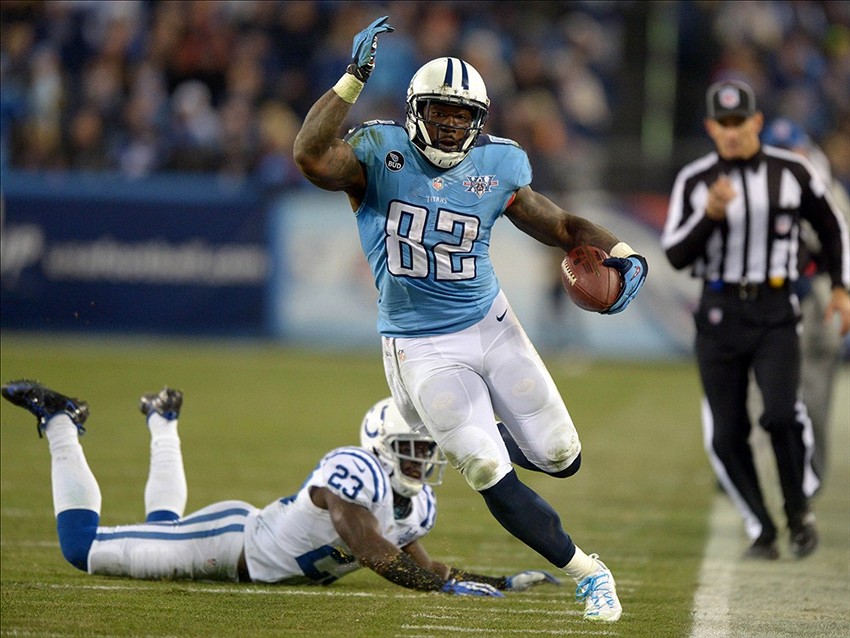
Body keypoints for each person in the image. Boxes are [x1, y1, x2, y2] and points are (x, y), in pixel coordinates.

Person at [293, 16, 649, 622]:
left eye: (463, 116)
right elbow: (309, 155)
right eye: (440, 113)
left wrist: (622, 253)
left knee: (563, 456)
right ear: (415, 111)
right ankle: (590, 574)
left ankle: (464, 431)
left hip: (491, 323)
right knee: (486, 467)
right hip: (419, 344)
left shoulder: (498, 166)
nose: (451, 125)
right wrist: (351, 80)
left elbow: (562, 225)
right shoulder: (379, 154)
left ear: (479, 120)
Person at [0, 380, 563, 595]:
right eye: (411, 448)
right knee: (81, 550)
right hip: (230, 544)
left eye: (426, 449)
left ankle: (162, 420)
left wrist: (495, 582)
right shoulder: (355, 469)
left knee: (163, 530)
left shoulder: (417, 506)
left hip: (242, 556)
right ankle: (61, 420)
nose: (422, 460)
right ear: (381, 444)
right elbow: (369, 547)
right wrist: (437, 589)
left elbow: (426, 565)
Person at [661, 80, 850, 560]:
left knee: (781, 414)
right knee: (727, 434)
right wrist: (710, 215)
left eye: (739, 121)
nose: (731, 131)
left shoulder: (793, 171)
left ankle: (798, 513)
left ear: (756, 123)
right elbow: (676, 254)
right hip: (719, 314)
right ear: (710, 127)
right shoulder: (696, 180)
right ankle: (763, 528)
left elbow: (832, 226)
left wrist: (841, 287)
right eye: (722, 123)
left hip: (775, 310)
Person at [760, 117, 850, 484]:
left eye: (791, 151)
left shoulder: (823, 187)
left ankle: (810, 471)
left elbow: (839, 245)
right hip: (769, 300)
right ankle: (747, 465)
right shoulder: (753, 188)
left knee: (814, 393)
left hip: (816, 297)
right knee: (758, 391)